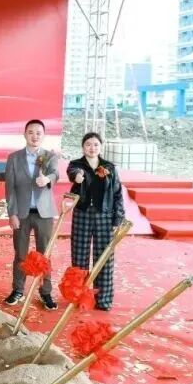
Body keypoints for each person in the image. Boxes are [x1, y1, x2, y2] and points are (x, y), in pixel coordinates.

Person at [4, 119, 60, 310]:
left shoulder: (49, 156)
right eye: (31, 132)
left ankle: (45, 292)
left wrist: (47, 179)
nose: (34, 136)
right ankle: (18, 289)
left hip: (44, 214)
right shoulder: (14, 158)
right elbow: (10, 188)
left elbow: (55, 174)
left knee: (45, 254)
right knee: (20, 253)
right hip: (21, 213)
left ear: (43, 136)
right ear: (24, 134)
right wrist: (12, 213)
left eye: (38, 133)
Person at [67, 132, 125, 311]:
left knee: (104, 258)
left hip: (104, 216)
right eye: (88, 144)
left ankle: (103, 300)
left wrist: (118, 218)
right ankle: (79, 298)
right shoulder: (76, 165)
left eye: (95, 145)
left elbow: (117, 194)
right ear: (83, 147)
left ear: (101, 147)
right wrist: (77, 177)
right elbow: (72, 173)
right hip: (82, 214)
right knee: (79, 257)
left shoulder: (109, 167)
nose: (92, 148)